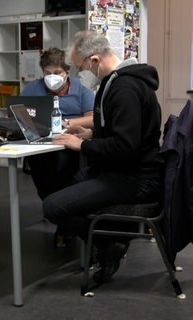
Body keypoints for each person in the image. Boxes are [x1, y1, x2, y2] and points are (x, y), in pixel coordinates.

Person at [42, 31, 164, 283]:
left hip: (136, 178)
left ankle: (111, 241)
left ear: (94, 60)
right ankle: (112, 236)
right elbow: (123, 131)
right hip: (125, 169)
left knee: (53, 207)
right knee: (74, 181)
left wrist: (82, 146)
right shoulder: (120, 83)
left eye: (80, 67)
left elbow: (125, 146)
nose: (79, 74)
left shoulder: (124, 89)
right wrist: (90, 133)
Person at [20, 47, 95, 247]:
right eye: (47, 73)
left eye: (57, 73)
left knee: (64, 178)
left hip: (69, 146)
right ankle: (63, 219)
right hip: (41, 145)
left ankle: (67, 226)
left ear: (66, 72)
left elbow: (93, 118)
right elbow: (20, 115)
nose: (52, 77)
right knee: (45, 187)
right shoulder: (32, 90)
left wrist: (67, 124)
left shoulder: (80, 90)